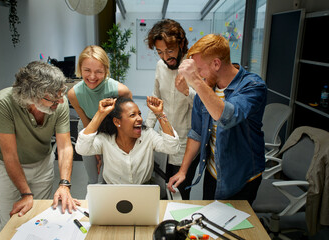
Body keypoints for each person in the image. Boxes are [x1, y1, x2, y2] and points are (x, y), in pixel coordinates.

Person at [167, 34, 267, 205]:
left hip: (242, 178)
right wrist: (183, 171)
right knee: (211, 223)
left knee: (236, 228)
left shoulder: (253, 86)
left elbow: (227, 117)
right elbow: (197, 132)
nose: (198, 75)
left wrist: (196, 81)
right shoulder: (206, 88)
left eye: (199, 69)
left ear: (216, 63)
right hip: (214, 173)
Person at [0, 61, 79, 234]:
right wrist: (26, 194)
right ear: (30, 95)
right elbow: (10, 155)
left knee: (38, 219)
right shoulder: (2, 102)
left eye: (61, 93)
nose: (60, 100)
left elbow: (65, 146)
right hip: (7, 167)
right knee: (12, 221)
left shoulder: (59, 102)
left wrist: (64, 184)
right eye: (52, 97)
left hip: (42, 163)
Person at [145, 19, 199, 199]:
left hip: (187, 145)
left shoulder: (195, 67)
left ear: (181, 43)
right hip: (164, 140)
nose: (165, 57)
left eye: (169, 50)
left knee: (181, 195)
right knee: (162, 190)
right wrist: (144, 131)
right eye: (160, 52)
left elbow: (205, 108)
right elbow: (156, 99)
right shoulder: (161, 66)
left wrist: (187, 92)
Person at [75, 96, 180, 184]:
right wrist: (100, 114)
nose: (139, 118)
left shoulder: (148, 135)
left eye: (139, 114)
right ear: (117, 122)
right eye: (132, 115)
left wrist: (160, 114)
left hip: (143, 193)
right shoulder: (105, 139)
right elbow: (82, 149)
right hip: (112, 194)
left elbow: (172, 148)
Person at [67, 45, 132, 184]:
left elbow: (128, 120)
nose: (92, 76)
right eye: (87, 70)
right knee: (92, 176)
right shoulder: (74, 94)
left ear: (106, 70)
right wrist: (94, 149)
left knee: (106, 175)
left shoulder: (121, 91)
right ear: (80, 69)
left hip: (111, 129)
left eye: (98, 71)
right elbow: (86, 122)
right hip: (88, 127)